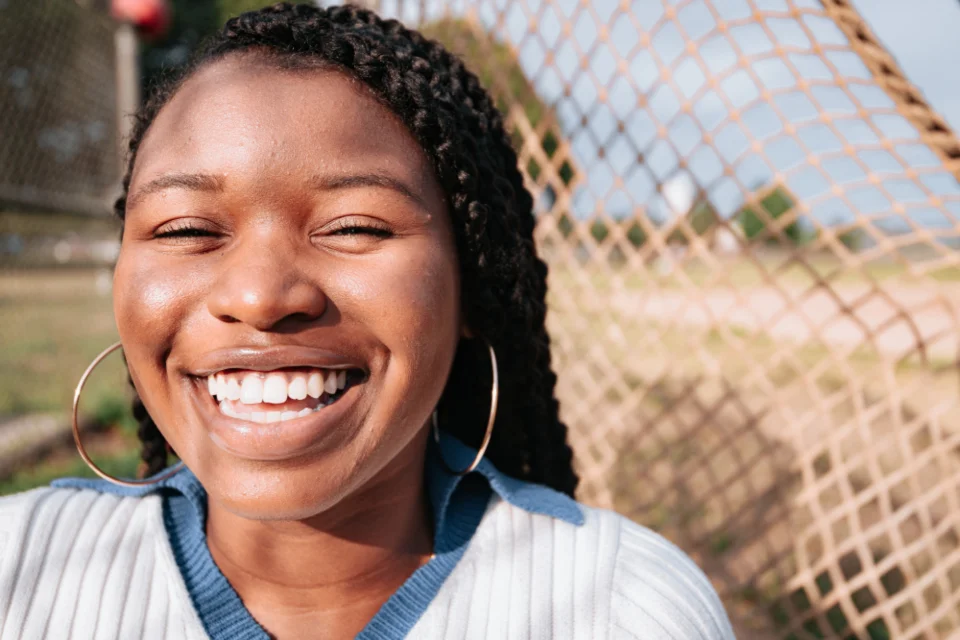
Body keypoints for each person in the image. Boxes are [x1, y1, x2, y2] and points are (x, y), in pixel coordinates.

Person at [0, 4, 735, 638]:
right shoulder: (18, 569)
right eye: (186, 229)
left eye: (353, 227)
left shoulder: (619, 606)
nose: (259, 297)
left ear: (472, 285)